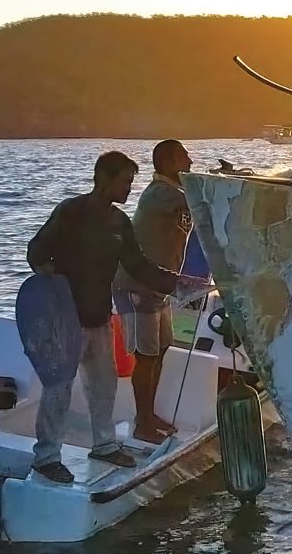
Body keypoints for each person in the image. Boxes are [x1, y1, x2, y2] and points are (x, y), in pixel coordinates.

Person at [27, 150, 183, 485]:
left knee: (104, 386)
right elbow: (36, 251)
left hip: (99, 317)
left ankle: (104, 445)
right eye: (125, 181)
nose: (129, 188)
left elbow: (138, 265)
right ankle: (47, 458)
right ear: (105, 179)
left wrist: (177, 283)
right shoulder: (71, 211)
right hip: (66, 321)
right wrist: (52, 285)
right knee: (58, 389)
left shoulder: (119, 222)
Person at [114, 139, 195, 445]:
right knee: (146, 358)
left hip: (159, 287)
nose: (190, 162)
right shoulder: (161, 193)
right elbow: (201, 200)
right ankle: (142, 423)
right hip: (136, 286)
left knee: (160, 351)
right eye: (184, 157)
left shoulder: (175, 194)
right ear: (168, 162)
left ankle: (148, 416)